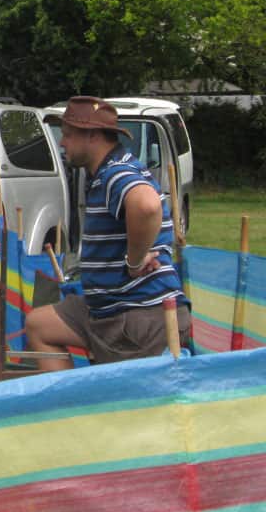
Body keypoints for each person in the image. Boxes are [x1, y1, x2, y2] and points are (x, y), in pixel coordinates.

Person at [26, 95, 190, 371]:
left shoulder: (116, 172)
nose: (62, 143)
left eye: (67, 135)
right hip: (108, 308)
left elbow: (147, 206)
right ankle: (70, 399)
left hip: (137, 315)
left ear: (92, 136)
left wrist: (134, 262)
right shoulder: (108, 171)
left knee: (126, 396)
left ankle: (92, 398)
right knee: (39, 325)